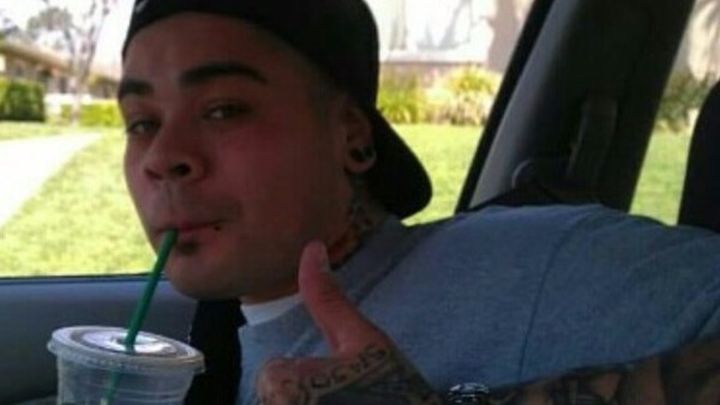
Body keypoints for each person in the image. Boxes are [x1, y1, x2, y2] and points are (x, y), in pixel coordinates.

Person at [118, 0, 720, 403]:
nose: (162, 156)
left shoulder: (537, 264)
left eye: (224, 109)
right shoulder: (225, 340)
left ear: (352, 136)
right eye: (142, 122)